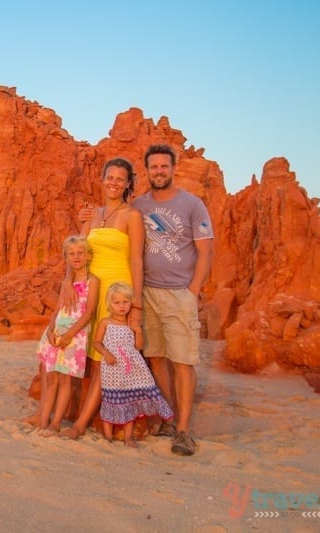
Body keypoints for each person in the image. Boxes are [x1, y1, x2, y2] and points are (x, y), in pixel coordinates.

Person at [133, 144, 214, 456]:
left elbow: (206, 251)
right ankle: (168, 417)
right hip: (148, 292)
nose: (159, 172)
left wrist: (192, 290)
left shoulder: (192, 205)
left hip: (180, 294)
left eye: (164, 167)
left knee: (182, 361)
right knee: (156, 358)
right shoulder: (139, 205)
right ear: (147, 170)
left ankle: (183, 430)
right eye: (153, 167)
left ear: (173, 168)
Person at [59, 158, 145, 440]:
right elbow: (78, 251)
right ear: (102, 179)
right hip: (90, 291)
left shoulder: (132, 216)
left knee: (100, 360)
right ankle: (58, 413)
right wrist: (68, 282)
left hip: (116, 293)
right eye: (110, 177)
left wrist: (136, 306)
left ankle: (81, 424)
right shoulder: (92, 215)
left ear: (128, 183)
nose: (114, 183)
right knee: (78, 349)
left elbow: (136, 261)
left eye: (121, 179)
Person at [26, 235, 99, 434]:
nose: (76, 257)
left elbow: (89, 311)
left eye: (80, 253)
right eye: (71, 254)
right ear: (65, 258)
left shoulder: (93, 282)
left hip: (75, 335)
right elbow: (58, 308)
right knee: (51, 376)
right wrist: (50, 329)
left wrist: (71, 334)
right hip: (57, 330)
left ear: (88, 256)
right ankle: (43, 420)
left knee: (66, 379)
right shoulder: (67, 282)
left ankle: (55, 422)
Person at [93, 281, 173, 447]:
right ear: (110, 304)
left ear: (130, 302)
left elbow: (139, 346)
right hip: (112, 369)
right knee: (111, 399)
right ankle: (108, 437)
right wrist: (106, 353)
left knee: (129, 401)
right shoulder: (105, 323)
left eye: (125, 302)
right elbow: (97, 343)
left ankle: (129, 437)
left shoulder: (132, 324)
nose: (121, 306)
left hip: (131, 370)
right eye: (117, 302)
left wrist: (137, 330)